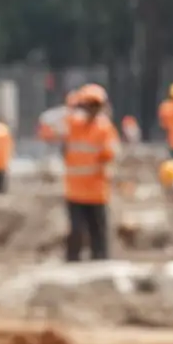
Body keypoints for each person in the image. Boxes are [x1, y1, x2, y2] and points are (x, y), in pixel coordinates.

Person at [61, 84, 117, 261]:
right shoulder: (72, 124)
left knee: (98, 231)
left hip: (96, 190)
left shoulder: (104, 128)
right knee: (76, 230)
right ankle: (72, 260)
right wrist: (72, 105)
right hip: (76, 190)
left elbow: (110, 153)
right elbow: (50, 125)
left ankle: (100, 261)